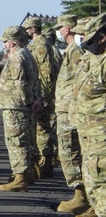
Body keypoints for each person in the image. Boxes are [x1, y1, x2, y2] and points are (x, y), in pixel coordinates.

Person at [0, 24, 39, 192]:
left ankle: (20, 177)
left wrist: (26, 101)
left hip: (16, 105)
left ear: (12, 42)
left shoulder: (17, 57)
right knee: (25, 140)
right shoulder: (27, 55)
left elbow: (20, 83)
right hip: (20, 105)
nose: (4, 45)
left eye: (6, 41)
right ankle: (27, 174)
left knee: (16, 142)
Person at [54, 14, 90, 214]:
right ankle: (81, 194)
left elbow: (80, 82)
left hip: (71, 110)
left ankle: (82, 196)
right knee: (70, 151)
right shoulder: (71, 49)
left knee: (71, 152)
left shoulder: (77, 50)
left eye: (60, 27)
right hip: (67, 108)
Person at [71, 12, 106, 216]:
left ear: (103, 36)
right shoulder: (96, 59)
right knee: (94, 183)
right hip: (91, 138)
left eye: (92, 39)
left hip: (102, 140)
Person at [23, 15, 62, 179]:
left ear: (33, 29)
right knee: (38, 128)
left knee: (42, 128)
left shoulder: (41, 45)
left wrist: (43, 97)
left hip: (41, 92)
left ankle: (46, 163)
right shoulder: (36, 44)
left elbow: (45, 73)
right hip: (37, 91)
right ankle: (42, 161)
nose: (25, 32)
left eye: (27, 28)